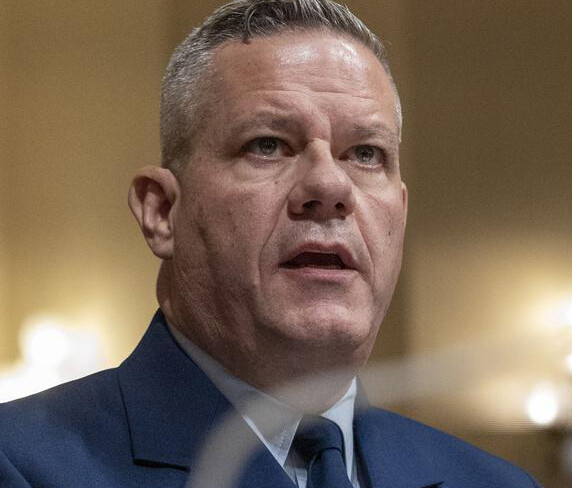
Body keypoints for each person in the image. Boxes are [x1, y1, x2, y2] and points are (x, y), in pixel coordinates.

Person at [0, 1, 543, 487]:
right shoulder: (21, 464)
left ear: (399, 215)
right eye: (268, 145)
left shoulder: (497, 483)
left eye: (365, 153)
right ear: (162, 211)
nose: (329, 188)